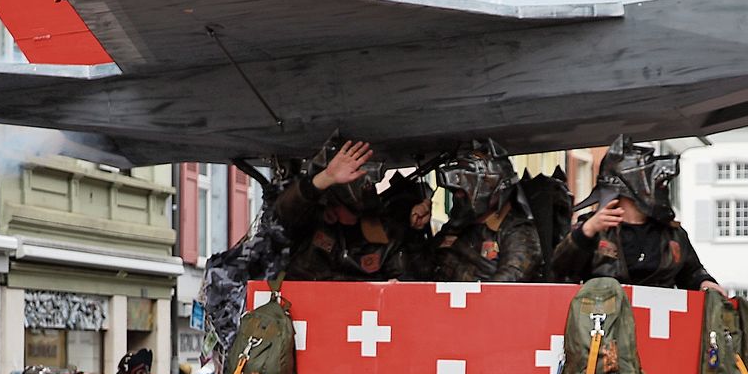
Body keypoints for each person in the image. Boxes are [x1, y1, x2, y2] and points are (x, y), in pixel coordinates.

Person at [551, 140, 724, 291]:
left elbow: (691, 272)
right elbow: (560, 270)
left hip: (659, 320)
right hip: (607, 321)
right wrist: (586, 232)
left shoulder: (672, 235)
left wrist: (705, 282)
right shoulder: (595, 228)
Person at [272, 140, 433, 282]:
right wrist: (326, 177)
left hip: (361, 313)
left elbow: (414, 282)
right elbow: (284, 212)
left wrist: (415, 234)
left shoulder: (386, 236)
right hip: (300, 308)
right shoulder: (308, 225)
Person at [430, 142, 544, 283]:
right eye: (456, 190)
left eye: (465, 188)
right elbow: (421, 276)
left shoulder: (518, 233)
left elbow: (506, 286)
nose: (458, 195)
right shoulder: (457, 228)